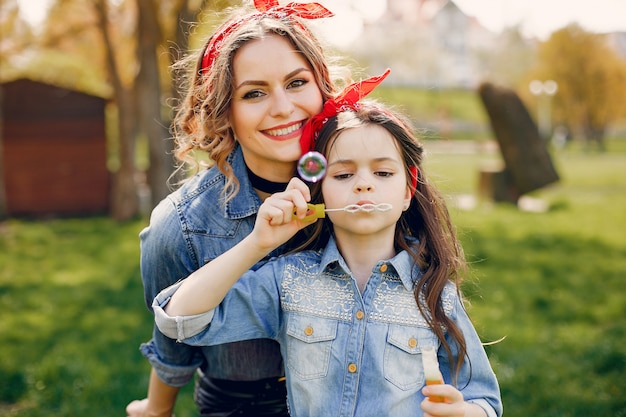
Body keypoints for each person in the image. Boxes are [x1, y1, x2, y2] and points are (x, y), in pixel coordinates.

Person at [152, 98, 503, 417]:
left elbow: (485, 401)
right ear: (321, 192)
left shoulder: (433, 293)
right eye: (344, 174)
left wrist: (466, 412)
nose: (364, 184)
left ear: (407, 192)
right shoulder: (288, 282)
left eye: (382, 173)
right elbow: (179, 320)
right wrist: (257, 244)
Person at [126, 1, 351, 416]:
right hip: (245, 405)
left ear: (323, 87)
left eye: (297, 83)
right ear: (223, 111)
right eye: (254, 93)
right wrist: (155, 410)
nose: (283, 107)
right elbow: (174, 342)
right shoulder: (182, 226)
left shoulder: (360, 191)